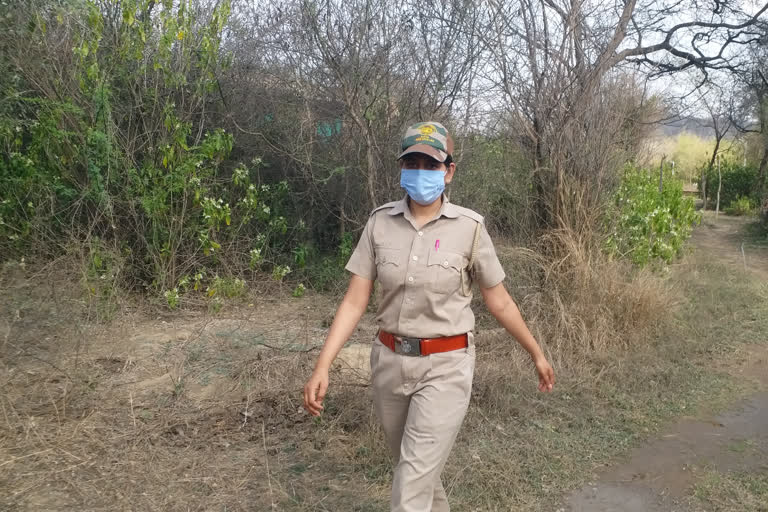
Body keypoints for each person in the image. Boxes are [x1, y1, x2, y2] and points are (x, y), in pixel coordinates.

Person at [303, 121, 555, 512]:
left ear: (449, 171)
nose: (421, 171)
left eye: (431, 164)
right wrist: (323, 364)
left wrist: (536, 353)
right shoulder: (379, 223)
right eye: (413, 162)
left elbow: (499, 301)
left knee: (411, 485)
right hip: (388, 364)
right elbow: (355, 301)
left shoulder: (470, 229)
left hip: (446, 367)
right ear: (402, 168)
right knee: (416, 474)